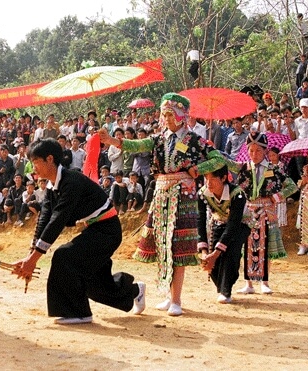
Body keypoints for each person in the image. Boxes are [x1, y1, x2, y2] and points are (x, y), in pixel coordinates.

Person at [99, 92, 216, 316]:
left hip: (183, 194)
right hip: (162, 193)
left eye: (171, 114)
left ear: (182, 115)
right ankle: (166, 294)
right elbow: (138, 145)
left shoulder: (194, 140)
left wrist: (197, 170)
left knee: (178, 245)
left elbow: (218, 158)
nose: (167, 119)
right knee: (163, 244)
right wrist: (112, 141)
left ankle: (177, 299)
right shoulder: (160, 138)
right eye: (165, 115)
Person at [12, 138, 146, 324]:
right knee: (92, 283)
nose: (33, 168)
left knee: (64, 257)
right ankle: (134, 291)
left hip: (107, 231)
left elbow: (57, 220)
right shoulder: (52, 186)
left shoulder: (71, 182)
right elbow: (45, 218)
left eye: (35, 162)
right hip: (94, 230)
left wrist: (33, 259)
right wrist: (31, 253)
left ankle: (77, 312)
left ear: (49, 159)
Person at [236, 132, 297, 295]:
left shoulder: (274, 169)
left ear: (265, 151)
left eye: (257, 151)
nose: (254, 154)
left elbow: (292, 186)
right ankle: (248, 283)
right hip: (249, 210)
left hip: (267, 210)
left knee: (266, 245)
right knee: (247, 247)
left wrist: (276, 197)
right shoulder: (244, 168)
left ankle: (265, 281)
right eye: (251, 150)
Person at [197, 151, 249, 304]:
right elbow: (200, 220)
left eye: (213, 179)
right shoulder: (202, 194)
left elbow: (234, 224)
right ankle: (222, 287)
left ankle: (226, 291)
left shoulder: (237, 194)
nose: (209, 183)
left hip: (241, 225)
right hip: (218, 222)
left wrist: (215, 253)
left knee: (230, 252)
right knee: (212, 258)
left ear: (224, 178)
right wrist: (205, 251)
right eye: (207, 179)